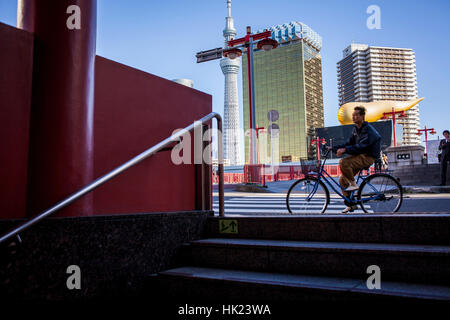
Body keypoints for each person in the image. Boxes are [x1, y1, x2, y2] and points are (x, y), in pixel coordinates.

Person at [331, 106, 381, 213]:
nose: (354, 117)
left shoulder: (368, 130)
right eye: (353, 115)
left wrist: (344, 150)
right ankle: (351, 204)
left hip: (368, 156)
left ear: (362, 116)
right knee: (342, 179)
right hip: (360, 156)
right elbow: (348, 143)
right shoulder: (356, 129)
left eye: (356, 115)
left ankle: (353, 184)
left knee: (343, 162)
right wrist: (333, 148)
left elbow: (362, 146)